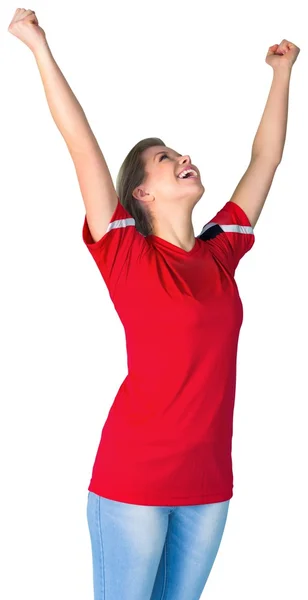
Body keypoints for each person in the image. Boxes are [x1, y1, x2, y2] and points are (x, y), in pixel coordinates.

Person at [8, 8, 300, 600]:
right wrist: (38, 46)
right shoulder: (124, 251)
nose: (180, 156)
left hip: (210, 484)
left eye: (178, 151)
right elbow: (82, 146)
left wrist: (281, 73)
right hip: (134, 480)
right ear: (141, 192)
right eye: (165, 158)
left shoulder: (221, 253)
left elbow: (265, 159)